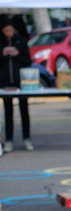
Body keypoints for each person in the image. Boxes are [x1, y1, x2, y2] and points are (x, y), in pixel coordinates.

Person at [1, 19, 32, 152]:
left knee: (24, 110)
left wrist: (17, 54)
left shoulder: (21, 41)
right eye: (6, 30)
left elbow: (28, 62)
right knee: (8, 112)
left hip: (21, 83)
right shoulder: (1, 43)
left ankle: (27, 138)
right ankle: (9, 140)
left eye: (11, 30)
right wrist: (3, 54)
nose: (9, 33)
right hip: (6, 84)